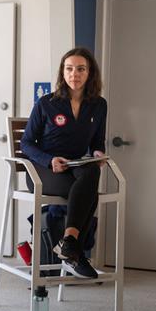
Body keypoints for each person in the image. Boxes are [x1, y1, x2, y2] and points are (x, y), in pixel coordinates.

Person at [20, 47, 107, 279]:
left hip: (76, 167)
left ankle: (68, 244)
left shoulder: (98, 105)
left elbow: (98, 141)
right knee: (89, 193)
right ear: (62, 72)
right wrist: (49, 161)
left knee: (90, 174)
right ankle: (72, 250)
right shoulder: (47, 103)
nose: (74, 74)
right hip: (42, 170)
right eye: (69, 69)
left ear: (90, 73)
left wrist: (99, 153)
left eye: (80, 69)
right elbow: (26, 143)